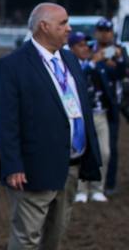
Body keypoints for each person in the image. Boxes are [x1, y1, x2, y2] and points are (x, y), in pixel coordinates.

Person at [0, 3, 101, 250]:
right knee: (26, 238)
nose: (69, 29)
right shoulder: (12, 65)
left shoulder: (70, 59)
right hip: (33, 169)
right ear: (44, 26)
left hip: (71, 166)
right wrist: (13, 165)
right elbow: (5, 120)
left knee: (54, 238)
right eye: (63, 23)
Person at [69, 31, 114, 203]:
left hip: (100, 113)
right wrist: (93, 63)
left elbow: (116, 56)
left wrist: (115, 53)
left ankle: (97, 188)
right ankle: (81, 189)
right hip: (79, 115)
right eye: (81, 45)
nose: (85, 48)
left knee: (104, 152)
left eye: (87, 45)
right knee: (81, 153)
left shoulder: (95, 61)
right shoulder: (70, 64)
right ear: (72, 48)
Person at [90, 18, 126, 195]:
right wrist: (103, 61)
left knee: (110, 147)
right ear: (96, 31)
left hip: (111, 104)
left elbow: (119, 71)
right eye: (101, 30)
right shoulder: (89, 47)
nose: (104, 33)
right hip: (91, 104)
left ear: (112, 32)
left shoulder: (119, 50)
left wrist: (100, 61)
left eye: (107, 30)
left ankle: (109, 184)